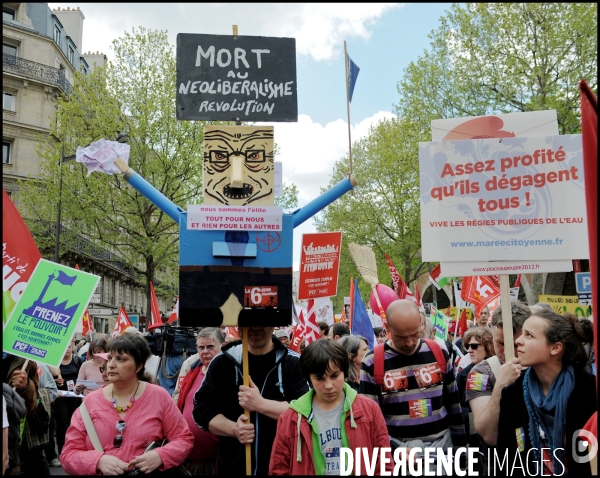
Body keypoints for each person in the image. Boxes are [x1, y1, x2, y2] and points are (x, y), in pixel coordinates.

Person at [60, 334, 194, 475]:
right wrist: (98, 461)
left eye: (121, 359)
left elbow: (183, 439)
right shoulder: (91, 401)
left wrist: (160, 456)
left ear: (139, 366)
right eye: (110, 358)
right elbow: (68, 454)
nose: (111, 365)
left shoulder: (159, 397)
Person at [360, 300, 465, 472]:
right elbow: (370, 422)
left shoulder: (440, 353)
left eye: (415, 334)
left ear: (422, 323)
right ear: (387, 327)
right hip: (399, 457)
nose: (409, 343)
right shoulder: (372, 362)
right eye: (401, 336)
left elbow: (454, 406)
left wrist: (461, 454)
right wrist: (395, 449)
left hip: (441, 452)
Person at [193, 326, 309, 475]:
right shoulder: (222, 362)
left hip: (281, 468)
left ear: (273, 323)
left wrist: (261, 404)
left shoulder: (294, 363)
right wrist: (234, 429)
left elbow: (307, 412)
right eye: (248, 321)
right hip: (232, 467)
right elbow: (201, 410)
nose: (254, 327)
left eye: (261, 321)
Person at [269, 340, 393, 475]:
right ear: (309, 378)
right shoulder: (291, 418)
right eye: (320, 378)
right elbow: (279, 468)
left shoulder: (370, 410)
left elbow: (384, 463)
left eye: (334, 376)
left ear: (344, 372)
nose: (328, 385)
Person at [497, 309, 597, 475]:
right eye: (521, 333)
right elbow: (506, 460)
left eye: (529, 335)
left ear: (555, 347)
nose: (519, 341)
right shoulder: (512, 394)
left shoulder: (590, 391)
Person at [466, 301, 530, 447]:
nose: (506, 351)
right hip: (500, 463)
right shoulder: (480, 373)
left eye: (515, 345)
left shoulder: (539, 365)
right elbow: (488, 435)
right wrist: (501, 384)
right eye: (500, 343)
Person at [177, 327, 225, 475]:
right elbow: (178, 401)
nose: (205, 351)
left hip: (217, 461)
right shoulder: (192, 372)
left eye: (210, 346)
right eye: (201, 347)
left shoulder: (231, 375)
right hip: (187, 459)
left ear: (222, 347)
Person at [455, 327, 495, 451]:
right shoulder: (462, 376)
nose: (470, 350)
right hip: (473, 439)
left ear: (488, 347)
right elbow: (458, 408)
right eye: (468, 346)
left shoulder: (499, 367)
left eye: (474, 346)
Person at [53, 344, 83, 458]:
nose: (67, 350)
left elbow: (82, 376)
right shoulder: (56, 363)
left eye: (69, 347)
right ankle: (61, 450)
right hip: (61, 397)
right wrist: (55, 380)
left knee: (75, 423)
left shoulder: (77, 360)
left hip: (75, 396)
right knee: (62, 423)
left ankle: (75, 449)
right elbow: (49, 379)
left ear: (72, 348)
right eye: (65, 347)